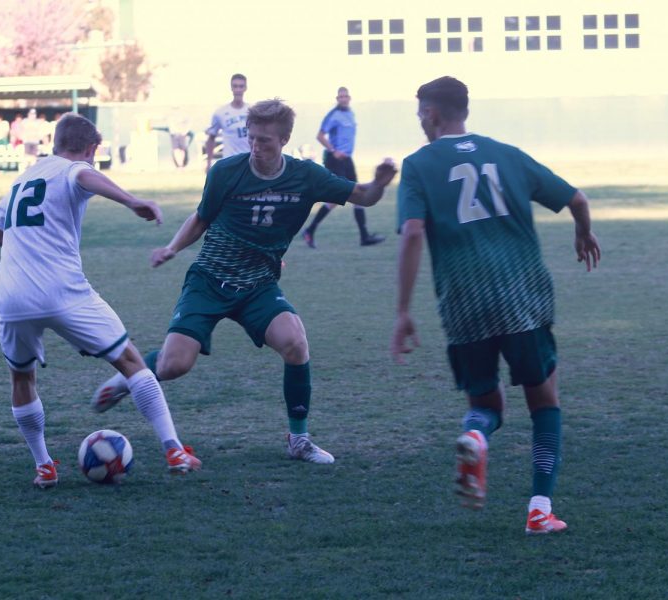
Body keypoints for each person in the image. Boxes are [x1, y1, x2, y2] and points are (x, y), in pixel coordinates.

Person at [95, 99, 397, 464]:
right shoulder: (227, 171)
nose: (256, 147)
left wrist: (379, 182)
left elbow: (363, 196)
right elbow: (202, 217)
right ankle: (132, 376)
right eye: (251, 138)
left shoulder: (306, 175)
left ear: (284, 139)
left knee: (295, 343)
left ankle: (298, 440)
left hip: (258, 285)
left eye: (265, 141)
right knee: (174, 366)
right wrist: (172, 248)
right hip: (210, 279)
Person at [392, 76, 601, 534]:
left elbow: (411, 233)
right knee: (544, 401)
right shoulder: (505, 153)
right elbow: (576, 199)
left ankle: (475, 434)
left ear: (431, 113)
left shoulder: (417, 165)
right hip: (522, 294)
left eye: (419, 113)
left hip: (464, 302)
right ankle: (540, 509)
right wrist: (583, 231)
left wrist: (403, 311)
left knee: (487, 404)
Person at [0, 113, 201, 488]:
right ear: (90, 149)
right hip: (61, 289)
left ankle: (43, 466)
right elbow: (82, 176)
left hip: (11, 293)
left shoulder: (19, 182)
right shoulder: (72, 169)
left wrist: (29, 248)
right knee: (131, 361)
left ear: (55, 143)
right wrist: (131, 200)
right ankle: (174, 449)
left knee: (22, 377)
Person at [301, 87, 384, 248]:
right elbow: (320, 135)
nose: (343, 99)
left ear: (349, 98)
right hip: (335, 160)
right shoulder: (333, 115)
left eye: (345, 96)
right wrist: (333, 150)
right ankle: (309, 231)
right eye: (340, 97)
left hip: (347, 160)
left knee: (357, 195)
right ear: (337, 99)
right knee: (341, 196)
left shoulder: (350, 114)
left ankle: (364, 236)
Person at [204, 73, 250, 172]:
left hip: (249, 161)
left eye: (241, 86)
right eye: (235, 86)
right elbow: (211, 137)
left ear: (245, 88)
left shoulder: (252, 111)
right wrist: (208, 162)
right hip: (230, 161)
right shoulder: (220, 113)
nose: (238, 90)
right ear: (231, 88)